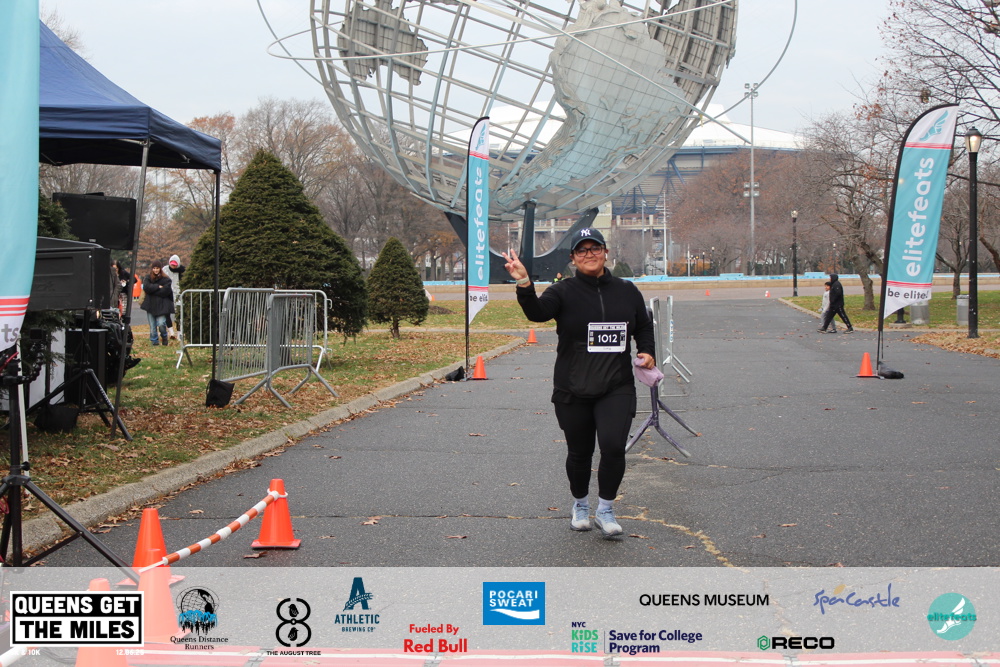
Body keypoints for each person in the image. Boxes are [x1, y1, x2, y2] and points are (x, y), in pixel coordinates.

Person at [502, 228, 655, 539]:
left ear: (605, 252)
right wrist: (524, 282)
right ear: (573, 258)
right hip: (572, 387)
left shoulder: (627, 290)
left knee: (613, 447)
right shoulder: (563, 291)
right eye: (582, 250)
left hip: (616, 385)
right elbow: (537, 313)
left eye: (595, 248)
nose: (589, 254)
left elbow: (642, 325)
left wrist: (647, 350)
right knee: (580, 453)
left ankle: (606, 510)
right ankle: (581, 505)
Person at [140, 260, 173, 346]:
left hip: (162, 306)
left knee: (162, 324)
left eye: (157, 268)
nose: (155, 270)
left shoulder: (166, 279)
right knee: (152, 326)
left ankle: (164, 336)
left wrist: (153, 291)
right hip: (150, 305)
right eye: (154, 268)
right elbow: (146, 287)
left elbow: (166, 291)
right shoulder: (148, 278)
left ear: (160, 269)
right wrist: (158, 287)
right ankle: (154, 341)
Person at [162, 254, 186, 340]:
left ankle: (179, 333)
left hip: (178, 295)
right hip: (167, 295)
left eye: (175, 265)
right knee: (166, 313)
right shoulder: (165, 270)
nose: (173, 266)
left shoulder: (182, 271)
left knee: (178, 315)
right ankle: (171, 332)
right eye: (172, 264)